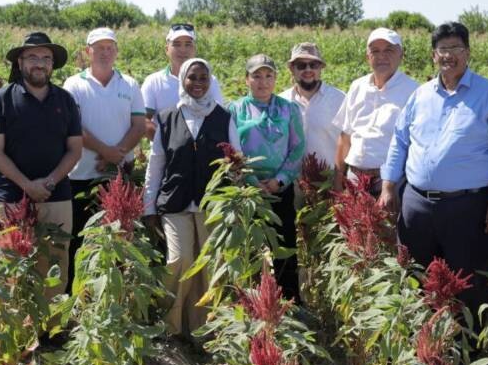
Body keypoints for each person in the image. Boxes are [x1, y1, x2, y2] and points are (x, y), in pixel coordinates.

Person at [380, 22, 488, 323]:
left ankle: (469, 354)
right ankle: (429, 346)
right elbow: (400, 141)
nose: (449, 55)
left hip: (468, 207)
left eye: (456, 48)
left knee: (469, 283)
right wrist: (388, 186)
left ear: (468, 53)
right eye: (443, 49)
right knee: (419, 278)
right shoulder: (420, 96)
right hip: (417, 204)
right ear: (433, 55)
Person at [143, 58, 241, 340]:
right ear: (182, 80)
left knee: (208, 265)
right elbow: (156, 164)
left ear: (209, 82)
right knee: (180, 259)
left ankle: (202, 331)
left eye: (203, 78)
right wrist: (149, 205)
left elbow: (235, 161)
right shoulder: (167, 117)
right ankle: (169, 327)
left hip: (211, 205)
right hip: (175, 202)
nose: (197, 84)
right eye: (192, 78)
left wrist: (235, 195)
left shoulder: (223, 117)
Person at [0, 32, 83, 301]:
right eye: (32, 57)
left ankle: (50, 331)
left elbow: (75, 150)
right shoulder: (2, 100)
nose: (39, 63)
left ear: (52, 64)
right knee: (10, 265)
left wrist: (49, 182)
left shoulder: (65, 101)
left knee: (54, 265)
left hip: (57, 196)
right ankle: (16, 332)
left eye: (45, 58)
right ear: (20, 63)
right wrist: (27, 186)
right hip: (11, 197)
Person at [62, 28, 146, 286]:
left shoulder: (129, 84)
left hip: (117, 177)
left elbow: (139, 126)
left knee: (119, 242)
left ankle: (114, 294)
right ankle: (79, 299)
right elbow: (73, 126)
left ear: (116, 52)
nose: (105, 53)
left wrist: (114, 155)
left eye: (110, 48)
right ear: (88, 52)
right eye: (99, 48)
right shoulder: (74, 84)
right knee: (81, 242)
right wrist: (105, 151)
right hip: (81, 175)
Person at [228, 55, 306, 301]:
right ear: (247, 79)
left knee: (284, 250)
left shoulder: (289, 109)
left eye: (268, 76)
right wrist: (252, 183)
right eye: (256, 76)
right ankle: (251, 303)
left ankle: (288, 304)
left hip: (280, 190)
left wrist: (278, 180)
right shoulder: (234, 109)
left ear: (275, 78)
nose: (263, 82)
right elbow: (231, 152)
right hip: (247, 194)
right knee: (249, 251)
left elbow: (297, 148)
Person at [333, 28, 419, 196]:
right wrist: (337, 179)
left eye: (389, 50)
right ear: (368, 57)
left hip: (391, 183)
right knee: (352, 223)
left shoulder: (414, 91)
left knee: (388, 222)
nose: (381, 56)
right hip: (355, 179)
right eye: (375, 51)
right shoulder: (357, 86)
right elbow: (345, 138)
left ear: (401, 54)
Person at [279, 42, 344, 194]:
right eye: (301, 65)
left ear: (320, 68)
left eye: (313, 65)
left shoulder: (340, 99)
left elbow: (349, 142)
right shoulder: (281, 102)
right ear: (292, 69)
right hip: (291, 185)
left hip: (329, 183)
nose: (308, 70)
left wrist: (340, 180)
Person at [141, 23, 224, 140]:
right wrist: (167, 143)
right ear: (167, 49)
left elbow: (219, 118)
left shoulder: (210, 81)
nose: (183, 50)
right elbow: (143, 120)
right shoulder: (153, 81)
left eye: (188, 44)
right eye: (177, 44)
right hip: (163, 155)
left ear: (194, 49)